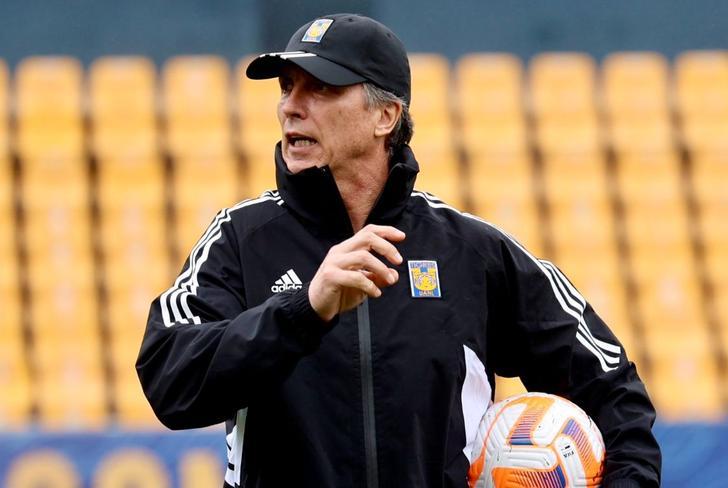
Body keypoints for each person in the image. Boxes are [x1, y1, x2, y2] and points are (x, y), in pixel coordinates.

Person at [136, 13, 661, 488]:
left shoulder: (471, 250)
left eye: (320, 88)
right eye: (287, 87)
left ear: (385, 116)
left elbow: (612, 386)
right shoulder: (241, 239)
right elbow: (170, 380)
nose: (291, 107)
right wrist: (304, 309)